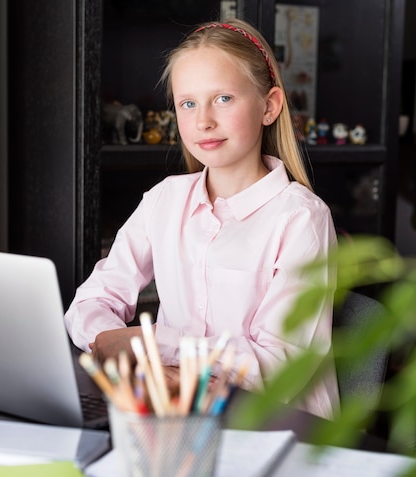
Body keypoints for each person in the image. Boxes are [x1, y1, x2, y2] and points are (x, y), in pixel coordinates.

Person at [65, 18, 339, 419]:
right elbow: (90, 301)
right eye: (187, 103)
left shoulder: (301, 218)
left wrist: (151, 343)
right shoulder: (165, 200)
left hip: (276, 425)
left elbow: (281, 364)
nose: (203, 121)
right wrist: (109, 337)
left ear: (269, 106)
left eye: (223, 99)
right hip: (180, 412)